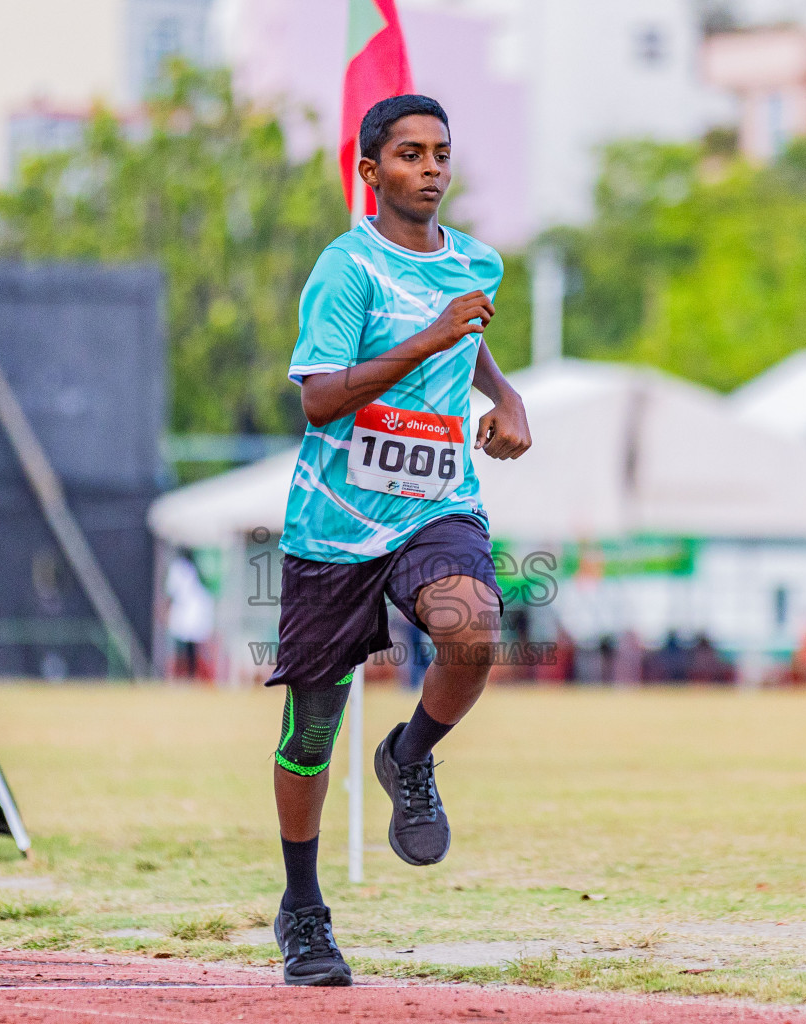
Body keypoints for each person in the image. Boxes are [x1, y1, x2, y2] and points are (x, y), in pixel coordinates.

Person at [264, 94, 532, 986]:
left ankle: (409, 756)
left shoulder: (478, 262)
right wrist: (428, 338)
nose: (431, 167)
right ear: (372, 173)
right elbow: (320, 399)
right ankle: (303, 910)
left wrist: (508, 396)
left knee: (472, 625)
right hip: (335, 525)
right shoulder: (346, 271)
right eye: (411, 154)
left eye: (441, 153)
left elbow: (470, 335)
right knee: (312, 727)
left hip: (434, 501)